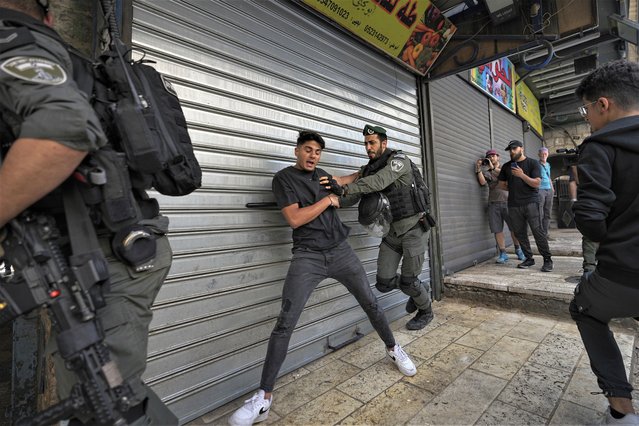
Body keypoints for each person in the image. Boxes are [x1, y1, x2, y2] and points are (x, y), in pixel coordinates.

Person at [0, 1, 176, 424]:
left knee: (108, 405)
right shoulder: (66, 63)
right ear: (48, 15)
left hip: (108, 255)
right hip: (91, 254)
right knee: (102, 393)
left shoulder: (13, 41)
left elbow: (65, 130)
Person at [229, 130, 416, 426]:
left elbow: (345, 182)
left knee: (370, 303)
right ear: (297, 151)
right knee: (285, 322)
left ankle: (394, 349)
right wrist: (328, 201)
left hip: (341, 251)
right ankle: (263, 398)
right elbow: (294, 218)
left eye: (317, 151)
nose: (313, 155)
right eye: (308, 149)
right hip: (308, 256)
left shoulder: (323, 174)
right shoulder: (284, 179)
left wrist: (372, 168)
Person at [570, 59, 639, 425]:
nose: (587, 119)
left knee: (585, 308)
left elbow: (591, 219)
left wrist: (616, 242)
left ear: (604, 105)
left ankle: (621, 410)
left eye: (586, 110)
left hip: (624, 272)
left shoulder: (601, 144)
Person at [323, 124, 434, 331]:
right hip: (392, 233)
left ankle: (425, 309)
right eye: (365, 143)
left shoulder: (399, 161)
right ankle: (420, 289)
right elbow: (352, 197)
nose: (368, 147)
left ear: (384, 143)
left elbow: (378, 182)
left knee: (409, 281)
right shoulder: (368, 170)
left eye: (372, 143)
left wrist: (345, 188)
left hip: (414, 230)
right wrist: (329, 198)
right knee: (384, 283)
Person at [497, 140, 553, 272]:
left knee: (537, 231)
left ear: (521, 148)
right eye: (510, 149)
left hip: (531, 203)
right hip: (514, 205)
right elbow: (501, 185)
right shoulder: (506, 166)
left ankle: (547, 260)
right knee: (520, 234)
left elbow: (537, 184)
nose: (512, 151)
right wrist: (514, 187)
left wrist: (522, 175)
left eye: (514, 148)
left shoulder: (533, 163)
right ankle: (529, 258)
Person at [475, 149, 525, 264]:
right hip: (493, 204)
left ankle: (518, 250)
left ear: (498, 157)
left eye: (493, 156)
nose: (491, 158)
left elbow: (507, 176)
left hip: (508, 202)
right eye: (489, 157)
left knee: (514, 228)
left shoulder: (505, 168)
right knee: (497, 230)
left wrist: (493, 168)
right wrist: (478, 168)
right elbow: (482, 182)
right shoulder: (488, 172)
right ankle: (503, 253)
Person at [537, 147, 554, 238]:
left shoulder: (548, 164)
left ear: (547, 154)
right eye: (542, 154)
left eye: (545, 154)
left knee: (548, 212)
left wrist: (552, 187)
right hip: (540, 189)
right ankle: (539, 233)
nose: (544, 155)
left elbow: (549, 176)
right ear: (539, 155)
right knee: (540, 212)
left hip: (549, 190)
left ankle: (545, 233)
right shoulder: (536, 164)